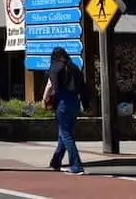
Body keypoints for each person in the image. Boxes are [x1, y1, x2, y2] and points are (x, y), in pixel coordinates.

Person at [42, 47, 88, 176]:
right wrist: (87, 104)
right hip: (74, 102)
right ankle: (56, 162)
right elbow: (84, 88)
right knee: (64, 132)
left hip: (62, 103)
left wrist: (45, 100)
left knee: (66, 134)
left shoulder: (55, 67)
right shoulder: (74, 68)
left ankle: (76, 165)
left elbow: (51, 86)